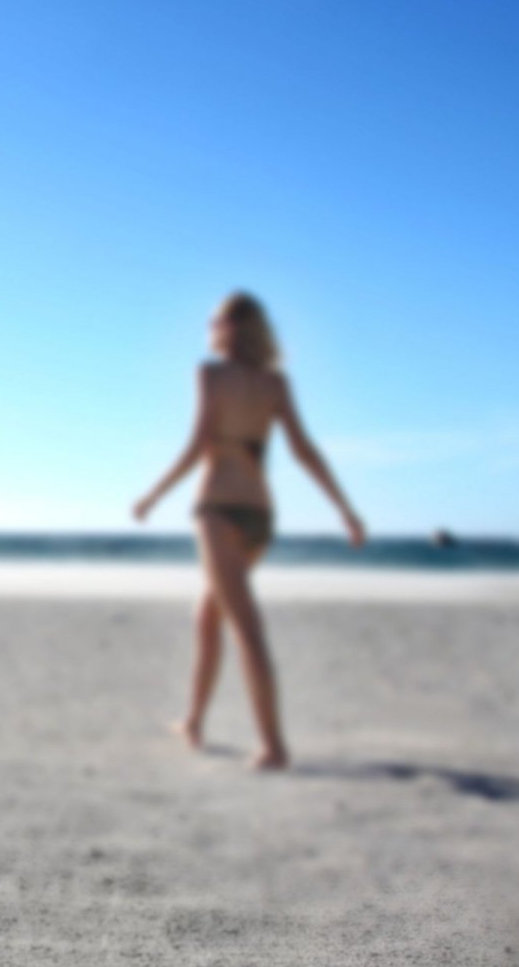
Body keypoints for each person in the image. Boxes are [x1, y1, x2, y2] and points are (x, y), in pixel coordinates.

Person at [132, 291, 364, 769]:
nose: (209, 328)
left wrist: (154, 494)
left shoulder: (211, 374)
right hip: (260, 516)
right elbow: (304, 450)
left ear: (227, 328)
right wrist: (344, 508)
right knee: (209, 614)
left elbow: (198, 445)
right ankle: (194, 720)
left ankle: (274, 746)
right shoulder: (275, 383)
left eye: (214, 321)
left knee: (245, 626)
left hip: (217, 508)